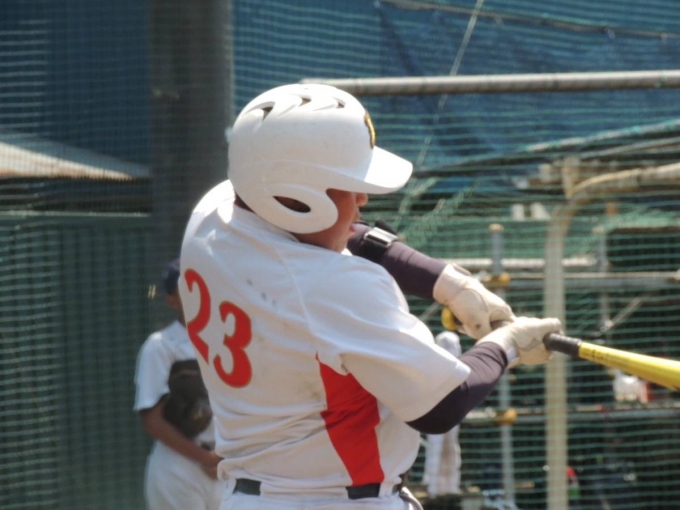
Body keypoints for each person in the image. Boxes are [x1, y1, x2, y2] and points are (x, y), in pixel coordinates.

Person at [178, 83, 561, 510]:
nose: (362, 200)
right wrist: (504, 346)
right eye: (346, 184)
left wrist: (448, 282)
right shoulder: (333, 285)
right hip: (334, 501)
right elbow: (442, 404)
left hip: (248, 495)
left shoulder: (212, 215)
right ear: (293, 198)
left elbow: (346, 233)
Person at [134, 258, 226, 510]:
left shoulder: (227, 341)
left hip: (224, 465)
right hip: (179, 466)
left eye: (201, 287)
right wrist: (205, 458)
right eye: (186, 290)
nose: (196, 296)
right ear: (172, 300)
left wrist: (222, 458)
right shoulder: (161, 346)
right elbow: (152, 419)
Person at [424, 331, 463, 499]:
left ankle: (451, 487)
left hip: (452, 416)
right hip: (436, 416)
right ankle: (433, 488)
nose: (451, 349)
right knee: (436, 448)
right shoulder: (432, 367)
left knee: (450, 449)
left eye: (453, 346)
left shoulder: (461, 368)